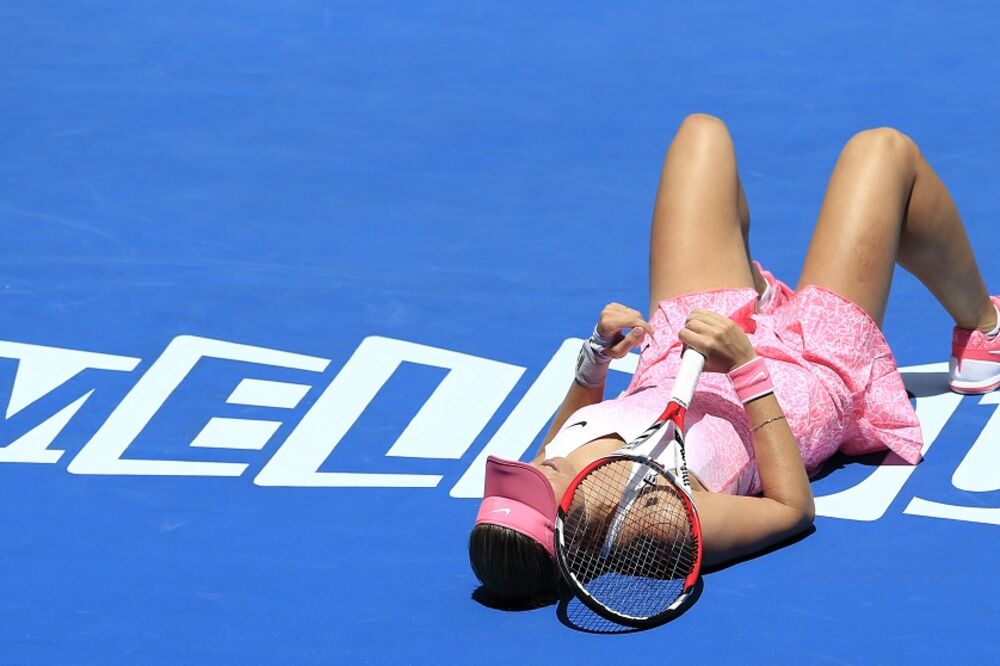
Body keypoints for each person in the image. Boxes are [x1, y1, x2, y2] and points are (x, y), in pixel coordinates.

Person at [469, 114, 1000, 602]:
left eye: (517, 475)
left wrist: (595, 362)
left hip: (688, 347)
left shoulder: (553, 467)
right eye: (536, 483)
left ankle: (757, 299)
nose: (531, 465)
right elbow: (790, 511)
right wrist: (747, 368)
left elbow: (568, 432)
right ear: (573, 528)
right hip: (799, 380)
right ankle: (984, 328)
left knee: (701, 137)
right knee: (883, 152)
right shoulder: (663, 522)